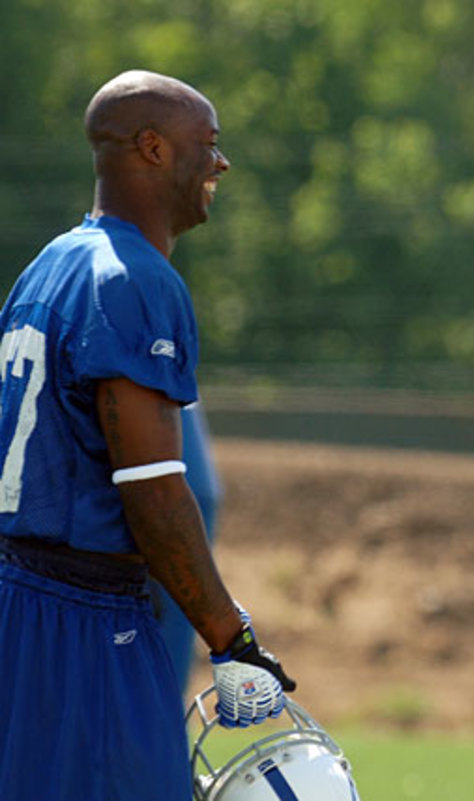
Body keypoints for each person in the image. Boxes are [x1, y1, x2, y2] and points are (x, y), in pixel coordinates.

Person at [0, 70, 295, 801]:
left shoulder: (47, 265)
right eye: (209, 144)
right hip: (79, 618)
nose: (220, 163)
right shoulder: (134, 278)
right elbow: (153, 492)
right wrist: (231, 638)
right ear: (154, 148)